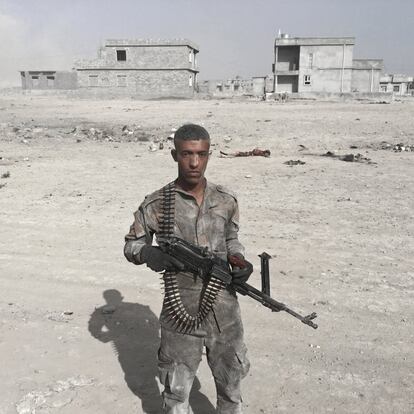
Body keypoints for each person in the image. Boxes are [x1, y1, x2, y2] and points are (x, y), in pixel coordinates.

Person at [124, 123, 252, 414]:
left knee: (231, 385)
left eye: (201, 154)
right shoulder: (157, 204)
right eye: (186, 154)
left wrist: (239, 260)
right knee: (176, 393)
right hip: (179, 311)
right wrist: (147, 253)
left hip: (224, 309)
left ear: (209, 155)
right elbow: (131, 245)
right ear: (174, 155)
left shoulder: (225, 200)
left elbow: (232, 238)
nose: (194, 162)